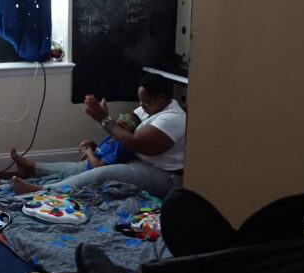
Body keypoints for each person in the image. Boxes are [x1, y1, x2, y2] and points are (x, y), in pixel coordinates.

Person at [10, 73, 186, 198]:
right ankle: (32, 168)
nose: (142, 105)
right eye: (140, 100)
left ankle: (42, 191)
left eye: (146, 101)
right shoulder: (150, 108)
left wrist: (104, 120)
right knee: (86, 166)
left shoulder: (173, 118)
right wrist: (102, 137)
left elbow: (136, 143)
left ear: (162, 98)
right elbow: (123, 130)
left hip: (166, 176)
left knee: (103, 172)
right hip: (140, 160)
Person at [11, 112, 141, 180]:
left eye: (128, 122)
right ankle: (28, 167)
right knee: (59, 168)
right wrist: (92, 145)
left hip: (91, 173)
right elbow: (102, 154)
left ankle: (29, 170)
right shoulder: (110, 137)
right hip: (86, 167)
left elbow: (99, 168)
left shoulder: (121, 146)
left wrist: (89, 152)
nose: (123, 121)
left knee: (61, 173)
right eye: (122, 117)